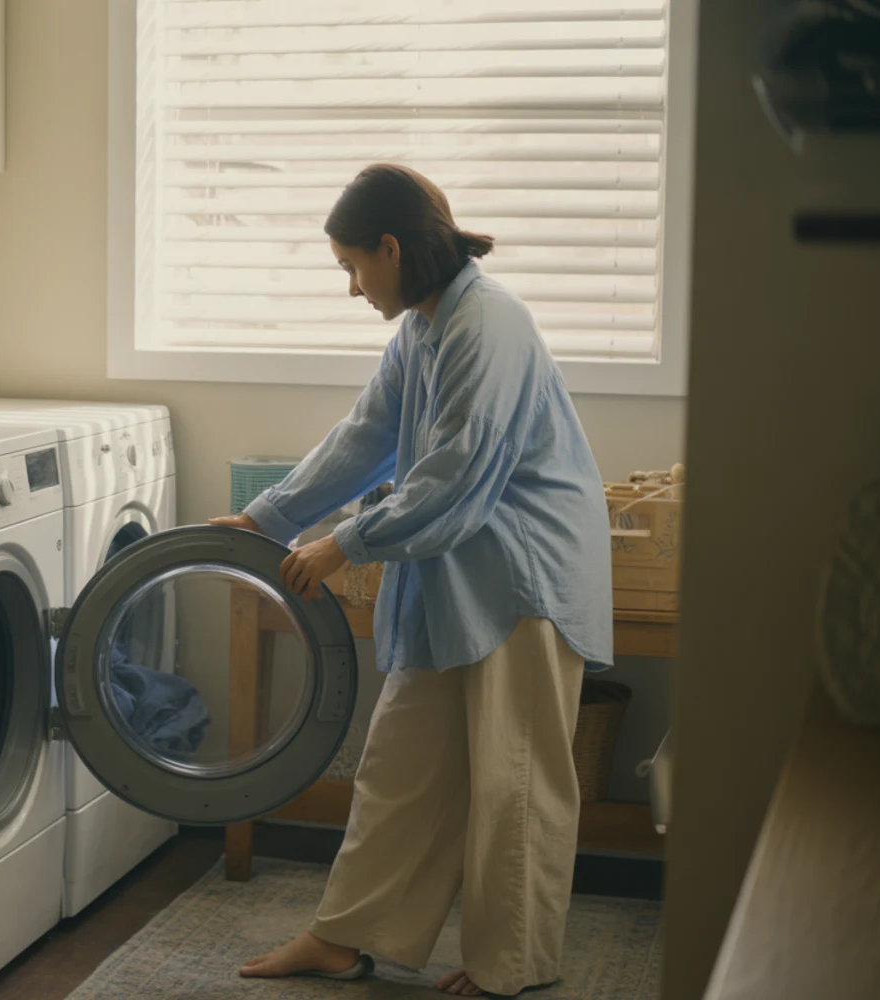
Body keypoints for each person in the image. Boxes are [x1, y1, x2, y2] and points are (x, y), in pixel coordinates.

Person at [210, 164, 613, 997]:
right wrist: (272, 519)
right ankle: (345, 935)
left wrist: (345, 544)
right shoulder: (424, 329)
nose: (353, 289)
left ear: (392, 248)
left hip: (523, 579)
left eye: (354, 268)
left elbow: (458, 473)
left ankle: (514, 966)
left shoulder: (488, 325)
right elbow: (367, 436)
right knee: (400, 765)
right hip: (455, 568)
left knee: (515, 776)